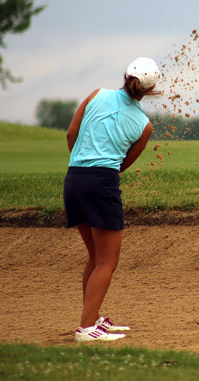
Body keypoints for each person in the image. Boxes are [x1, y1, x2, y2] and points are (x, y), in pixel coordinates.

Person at [63, 57, 160, 342]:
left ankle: (91, 318)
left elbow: (71, 135)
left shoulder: (96, 95)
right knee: (106, 262)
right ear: (150, 90)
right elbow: (122, 164)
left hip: (74, 179)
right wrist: (99, 173)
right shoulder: (144, 125)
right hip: (102, 184)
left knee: (95, 257)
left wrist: (82, 164)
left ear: (125, 76)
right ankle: (86, 329)